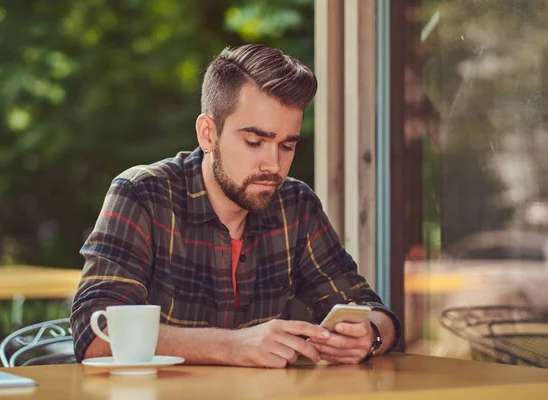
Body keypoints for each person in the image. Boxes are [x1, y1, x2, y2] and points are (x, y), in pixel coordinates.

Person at [71, 44, 401, 368]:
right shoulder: (143, 194)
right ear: (208, 134)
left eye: (286, 146)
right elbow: (95, 334)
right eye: (255, 142)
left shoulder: (296, 206)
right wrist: (232, 346)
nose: (273, 165)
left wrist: (368, 335)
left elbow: (375, 313)